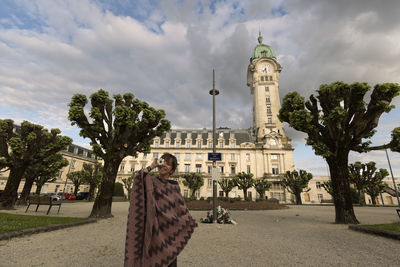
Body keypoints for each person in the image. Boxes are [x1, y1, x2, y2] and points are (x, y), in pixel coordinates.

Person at [124, 153, 197, 267]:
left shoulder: (174, 185)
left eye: (168, 164)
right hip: (155, 229)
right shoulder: (150, 181)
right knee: (154, 258)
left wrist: (187, 221)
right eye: (163, 162)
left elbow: (180, 207)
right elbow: (138, 178)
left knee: (171, 260)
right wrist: (151, 166)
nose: (164, 166)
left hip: (170, 231)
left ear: (172, 170)